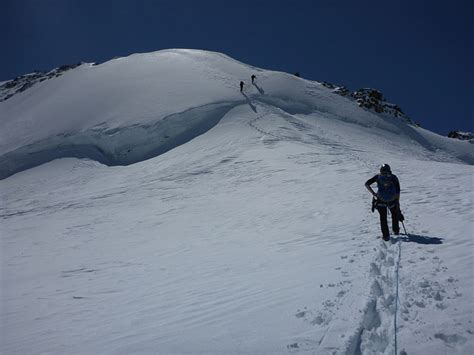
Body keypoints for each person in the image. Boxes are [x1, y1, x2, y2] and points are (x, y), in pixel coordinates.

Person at [365, 164, 400, 241]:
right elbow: (398, 190)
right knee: (394, 215)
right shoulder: (394, 177)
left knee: (383, 218)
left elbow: (367, 184)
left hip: (381, 200)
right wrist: (397, 201)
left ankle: (386, 236)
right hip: (392, 200)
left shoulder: (378, 177)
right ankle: (396, 230)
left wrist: (374, 194)